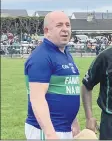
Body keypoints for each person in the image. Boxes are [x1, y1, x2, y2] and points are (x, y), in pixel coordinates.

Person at [24, 11, 81, 139]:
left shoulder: (65, 54)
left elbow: (67, 90)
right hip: (47, 130)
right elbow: (37, 99)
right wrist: (50, 134)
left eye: (68, 25)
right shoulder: (41, 57)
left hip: (64, 128)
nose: (65, 29)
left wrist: (74, 122)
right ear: (47, 31)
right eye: (59, 25)